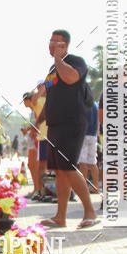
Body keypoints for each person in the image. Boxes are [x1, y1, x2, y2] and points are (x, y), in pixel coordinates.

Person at [35, 30, 98, 229]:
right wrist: (40, 118)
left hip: (72, 123)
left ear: (66, 45)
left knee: (69, 167)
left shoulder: (75, 61)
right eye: (50, 41)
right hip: (55, 125)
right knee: (60, 171)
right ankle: (60, 216)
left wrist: (59, 59)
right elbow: (50, 93)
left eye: (57, 42)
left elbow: (71, 78)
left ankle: (90, 212)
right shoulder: (53, 67)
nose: (51, 45)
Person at [78, 102, 99, 195]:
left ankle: (84, 187)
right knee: (93, 163)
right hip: (93, 135)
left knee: (83, 162)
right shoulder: (95, 105)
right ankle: (96, 186)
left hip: (84, 135)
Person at [21, 91, 39, 197]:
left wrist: (31, 130)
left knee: (33, 165)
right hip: (32, 140)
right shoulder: (32, 111)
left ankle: (37, 189)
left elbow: (38, 124)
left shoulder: (36, 109)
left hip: (36, 140)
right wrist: (28, 129)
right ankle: (36, 188)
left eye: (24, 100)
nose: (23, 103)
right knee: (31, 165)